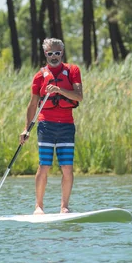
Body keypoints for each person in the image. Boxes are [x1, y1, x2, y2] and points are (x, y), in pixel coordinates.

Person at [19, 38, 83, 214]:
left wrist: (59, 90)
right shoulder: (39, 76)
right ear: (45, 54)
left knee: (67, 167)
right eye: (50, 53)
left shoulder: (72, 71)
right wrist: (26, 129)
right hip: (46, 125)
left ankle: (64, 207)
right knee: (44, 165)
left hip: (66, 126)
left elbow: (79, 97)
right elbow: (32, 105)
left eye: (57, 53)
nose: (54, 56)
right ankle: (38, 206)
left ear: (62, 53)